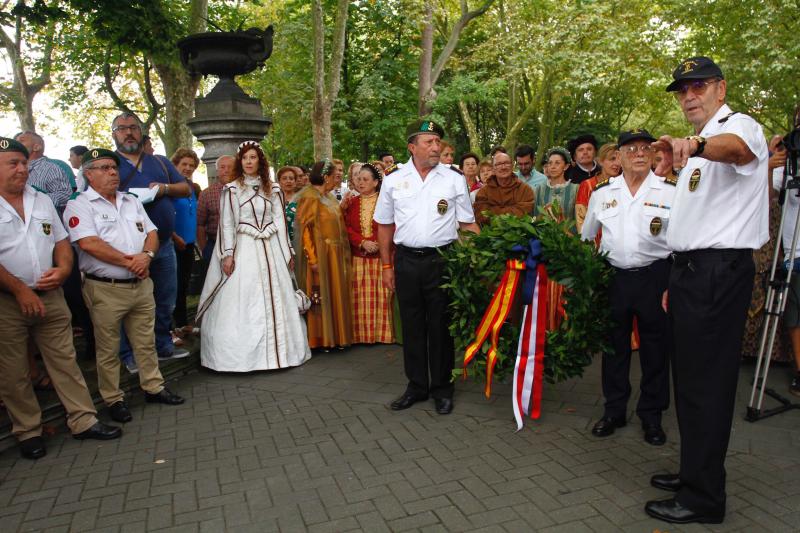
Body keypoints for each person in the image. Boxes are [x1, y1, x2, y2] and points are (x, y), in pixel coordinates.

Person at [645, 56, 769, 525]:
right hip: (692, 273)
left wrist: (695, 145)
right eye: (682, 91)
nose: (688, 96)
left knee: (707, 387)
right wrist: (677, 276)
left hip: (718, 272)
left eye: (697, 86)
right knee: (690, 381)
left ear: (720, 87)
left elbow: (737, 151)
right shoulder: (696, 150)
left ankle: (704, 499)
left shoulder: (738, 127)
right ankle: (693, 472)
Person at [0, 138, 121, 459]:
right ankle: (28, 431)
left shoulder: (39, 199)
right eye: (12, 163)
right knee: (13, 371)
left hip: (50, 293)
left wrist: (64, 268)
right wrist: (20, 289)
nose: (22, 169)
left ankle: (83, 420)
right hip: (8, 300)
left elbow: (62, 241)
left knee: (64, 361)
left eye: (24, 163)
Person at [63, 148, 185, 424]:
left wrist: (148, 257)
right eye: (104, 168)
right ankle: (113, 399)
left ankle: (153, 387)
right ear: (89, 174)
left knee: (145, 341)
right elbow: (88, 243)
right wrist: (130, 261)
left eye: (114, 167)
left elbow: (152, 233)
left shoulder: (130, 201)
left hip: (140, 283)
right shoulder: (80, 204)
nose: (112, 172)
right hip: (106, 288)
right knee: (108, 348)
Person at [374, 119, 479, 415]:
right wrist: (386, 266)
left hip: (442, 261)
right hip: (406, 261)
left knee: (441, 327)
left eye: (438, 142)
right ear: (412, 147)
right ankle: (417, 386)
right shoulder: (394, 179)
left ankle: (443, 389)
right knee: (412, 326)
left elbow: (467, 223)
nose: (436, 147)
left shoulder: (453, 178)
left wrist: (483, 259)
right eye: (429, 142)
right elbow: (383, 225)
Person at [581, 129, 674, 446]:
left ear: (653, 155)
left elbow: (682, 244)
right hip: (614, 277)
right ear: (617, 156)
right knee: (614, 348)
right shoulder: (602, 193)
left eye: (645, 148)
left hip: (655, 277)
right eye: (630, 148)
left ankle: (652, 416)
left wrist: (671, 284)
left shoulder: (670, 192)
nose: (638, 153)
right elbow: (587, 237)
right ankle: (614, 411)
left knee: (655, 351)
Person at [196, 142, 310, 371]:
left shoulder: (274, 190)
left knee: (279, 296)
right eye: (245, 158)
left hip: (271, 248)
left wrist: (287, 251)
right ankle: (242, 358)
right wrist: (227, 255)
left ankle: (281, 356)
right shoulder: (232, 189)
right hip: (244, 248)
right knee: (243, 298)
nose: (248, 161)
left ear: (260, 161)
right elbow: (227, 223)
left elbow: (279, 222)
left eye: (253, 157)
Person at [111, 112, 191, 369]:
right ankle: (131, 356)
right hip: (130, 249)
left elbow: (185, 188)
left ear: (142, 131)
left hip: (164, 243)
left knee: (165, 298)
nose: (128, 132)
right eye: (122, 128)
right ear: (114, 134)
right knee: (130, 304)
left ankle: (163, 346)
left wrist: (164, 189)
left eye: (133, 127)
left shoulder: (160, 162)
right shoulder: (109, 163)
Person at [294, 159, 353, 350]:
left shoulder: (329, 197)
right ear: (325, 176)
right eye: (334, 174)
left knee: (334, 294)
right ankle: (320, 339)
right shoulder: (310, 197)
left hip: (334, 255)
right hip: (320, 254)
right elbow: (304, 230)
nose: (338, 178)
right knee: (320, 296)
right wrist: (312, 258)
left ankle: (336, 336)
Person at [344, 163, 394, 344]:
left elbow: (389, 225)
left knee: (382, 296)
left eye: (365, 179)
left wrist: (377, 242)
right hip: (359, 256)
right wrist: (362, 242)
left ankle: (383, 335)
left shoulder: (386, 201)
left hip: (382, 256)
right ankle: (361, 336)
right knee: (359, 297)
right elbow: (346, 227)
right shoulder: (352, 202)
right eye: (358, 179)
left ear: (375, 182)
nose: (361, 182)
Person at [169, 148, 201, 339]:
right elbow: (162, 216)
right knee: (171, 287)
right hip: (174, 243)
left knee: (183, 285)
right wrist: (174, 236)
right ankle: (169, 328)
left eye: (191, 165)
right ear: (175, 165)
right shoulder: (171, 186)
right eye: (184, 165)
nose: (188, 168)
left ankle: (181, 323)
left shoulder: (191, 187)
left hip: (188, 243)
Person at [15, 131, 76, 215]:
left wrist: (36, 200)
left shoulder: (51, 168)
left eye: (21, 141)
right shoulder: (12, 169)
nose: (16, 144)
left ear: (36, 147)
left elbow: (65, 195)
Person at [473, 150, 534, 226]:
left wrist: (493, 210)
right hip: (491, 235)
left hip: (520, 234)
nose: (503, 167)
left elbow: (525, 214)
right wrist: (512, 209)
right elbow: (481, 216)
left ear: (512, 166)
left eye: (506, 163)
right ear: (493, 169)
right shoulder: (483, 192)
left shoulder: (525, 189)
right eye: (498, 164)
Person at [575, 143, 622, 233]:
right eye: (612, 159)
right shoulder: (587, 185)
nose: (617, 163)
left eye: (619, 159)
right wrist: (588, 245)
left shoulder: (626, 184)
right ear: (600, 161)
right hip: (594, 242)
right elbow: (581, 219)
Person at [197, 155, 235, 266]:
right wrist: (205, 249)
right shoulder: (207, 193)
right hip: (214, 245)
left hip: (240, 244)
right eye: (222, 167)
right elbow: (200, 224)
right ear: (217, 170)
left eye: (230, 167)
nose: (226, 170)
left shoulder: (244, 192)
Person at [533, 147, 579, 231]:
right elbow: (535, 216)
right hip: (544, 238)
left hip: (569, 239)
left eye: (557, 163)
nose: (552, 167)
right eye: (550, 163)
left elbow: (579, 219)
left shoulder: (575, 189)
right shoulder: (539, 189)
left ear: (566, 166)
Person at [276, 166, 298, 241]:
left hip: (298, 242)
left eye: (291, 178)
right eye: (284, 178)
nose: (288, 181)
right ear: (279, 182)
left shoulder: (303, 200)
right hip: (278, 242)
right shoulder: (274, 200)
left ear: (295, 182)